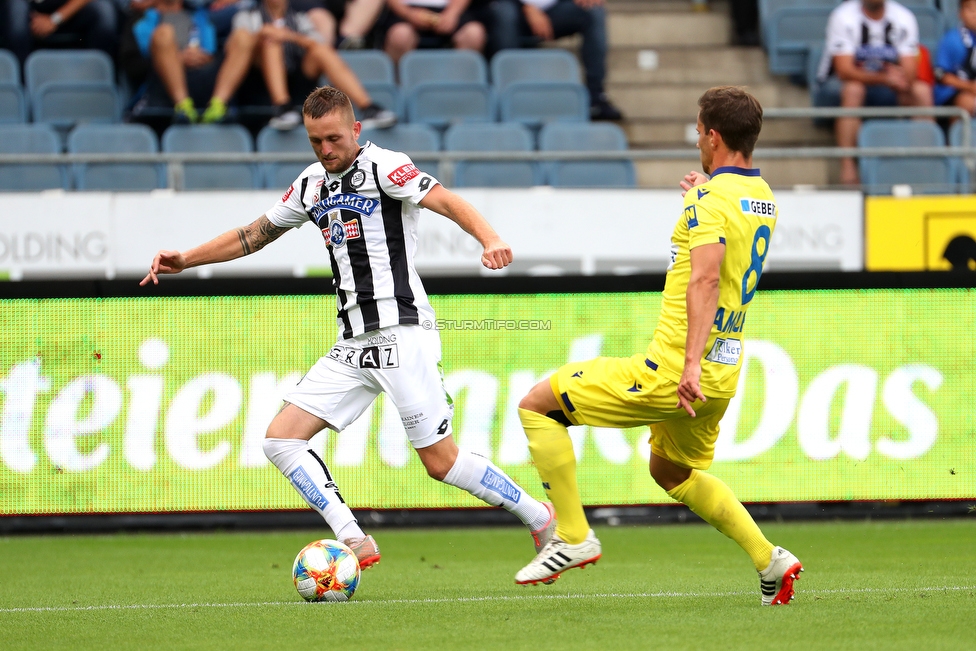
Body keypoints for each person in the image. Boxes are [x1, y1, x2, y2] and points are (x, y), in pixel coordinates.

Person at [140, 85, 556, 570]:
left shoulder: (385, 166)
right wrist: (186, 259)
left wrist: (490, 238)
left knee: (440, 463)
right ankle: (354, 539)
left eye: (334, 139)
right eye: (316, 141)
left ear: (355, 130)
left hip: (401, 332)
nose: (326, 150)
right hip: (354, 343)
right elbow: (254, 235)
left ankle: (538, 515)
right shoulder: (312, 183)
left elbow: (445, 200)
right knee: (280, 440)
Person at [513, 86, 804, 607]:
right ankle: (769, 559)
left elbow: (707, 281)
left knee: (537, 405)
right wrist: (701, 195)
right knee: (668, 470)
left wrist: (687, 364)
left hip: (675, 370)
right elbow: (722, 235)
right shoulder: (762, 198)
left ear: (712, 136)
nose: (697, 139)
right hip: (723, 371)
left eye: (698, 131)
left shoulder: (712, 200)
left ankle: (574, 537)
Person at [814, 0, 933, 185]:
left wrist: (901, 79)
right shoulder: (843, 16)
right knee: (854, 90)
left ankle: (927, 168)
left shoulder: (904, 17)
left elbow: (910, 69)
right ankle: (848, 168)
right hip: (836, 85)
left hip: (887, 84)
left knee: (921, 91)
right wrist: (885, 78)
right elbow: (844, 70)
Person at [230, 0, 397, 129]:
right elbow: (238, 47)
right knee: (271, 43)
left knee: (321, 50)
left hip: (297, 77)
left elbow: (315, 43)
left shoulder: (299, 18)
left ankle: (368, 107)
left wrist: (287, 36)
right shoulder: (247, 16)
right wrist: (265, 35)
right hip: (257, 81)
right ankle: (282, 107)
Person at [490, 0, 622, 121]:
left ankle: (596, 98)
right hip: (511, 8)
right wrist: (526, 7)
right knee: (503, 12)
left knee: (594, 10)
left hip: (554, 9)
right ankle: (506, 99)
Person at [132, 0, 258, 124]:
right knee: (164, 33)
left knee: (243, 37)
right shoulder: (143, 17)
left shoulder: (200, 14)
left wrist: (206, 57)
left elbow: (211, 49)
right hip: (165, 83)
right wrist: (177, 59)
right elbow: (135, 64)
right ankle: (183, 108)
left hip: (207, 75)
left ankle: (218, 106)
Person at [2, 0, 119, 65]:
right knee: (16, 11)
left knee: (104, 11)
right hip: (27, 9)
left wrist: (55, 19)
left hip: (67, 11)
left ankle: (98, 81)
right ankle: (22, 87)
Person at [379, 0, 491, 64]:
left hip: (450, 9)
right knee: (400, 36)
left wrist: (452, 13)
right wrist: (408, 14)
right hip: (406, 10)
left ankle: (461, 90)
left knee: (474, 34)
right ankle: (398, 89)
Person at [933, 0, 976, 119]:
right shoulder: (951, 39)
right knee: (966, 102)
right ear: (960, 13)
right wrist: (969, 87)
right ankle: (955, 136)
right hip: (953, 92)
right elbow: (940, 74)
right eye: (970, 10)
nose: (974, 14)